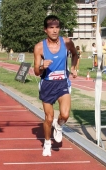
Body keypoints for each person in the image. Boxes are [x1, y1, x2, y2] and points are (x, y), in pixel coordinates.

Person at [33, 15, 78, 157]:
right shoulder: (39, 47)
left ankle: (58, 125)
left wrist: (74, 67)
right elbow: (35, 71)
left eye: (57, 27)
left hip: (63, 83)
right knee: (48, 118)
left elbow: (75, 54)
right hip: (47, 84)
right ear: (45, 30)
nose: (54, 30)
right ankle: (47, 143)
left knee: (65, 114)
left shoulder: (66, 42)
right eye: (51, 28)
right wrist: (42, 66)